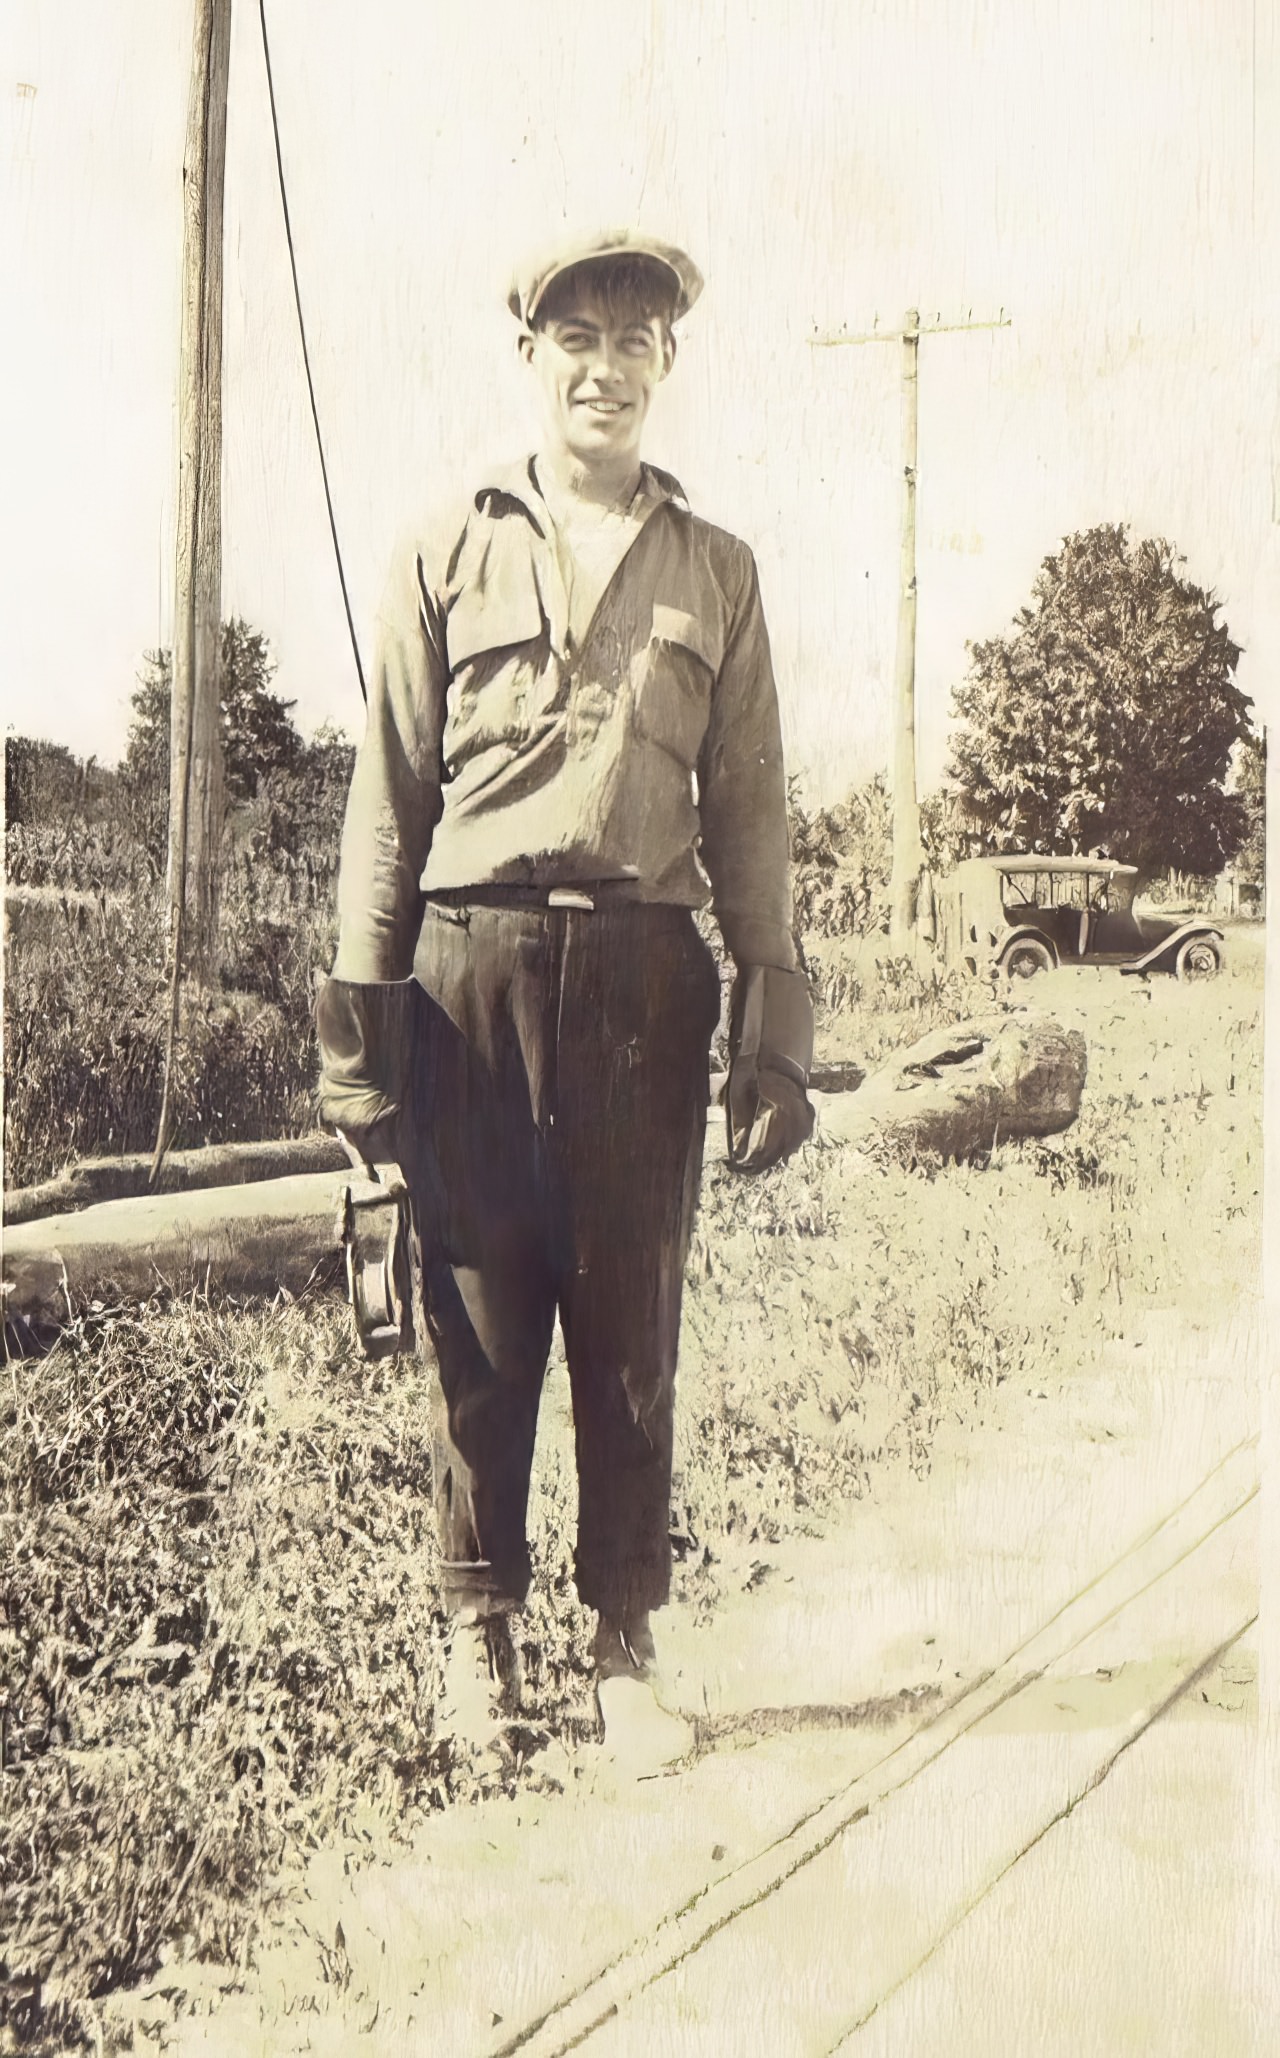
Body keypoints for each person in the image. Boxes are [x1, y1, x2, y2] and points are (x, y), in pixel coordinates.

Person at [317, 229, 814, 1771]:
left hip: (648, 983)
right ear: (528, 351)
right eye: (578, 335)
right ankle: (480, 1634)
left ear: (668, 365)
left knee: (632, 1318)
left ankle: (623, 1641)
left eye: (638, 340)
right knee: (477, 1315)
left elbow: (749, 816)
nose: (607, 365)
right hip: (470, 976)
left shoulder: (717, 571)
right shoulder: (441, 553)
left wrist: (773, 1035)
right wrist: (357, 1048)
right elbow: (387, 808)